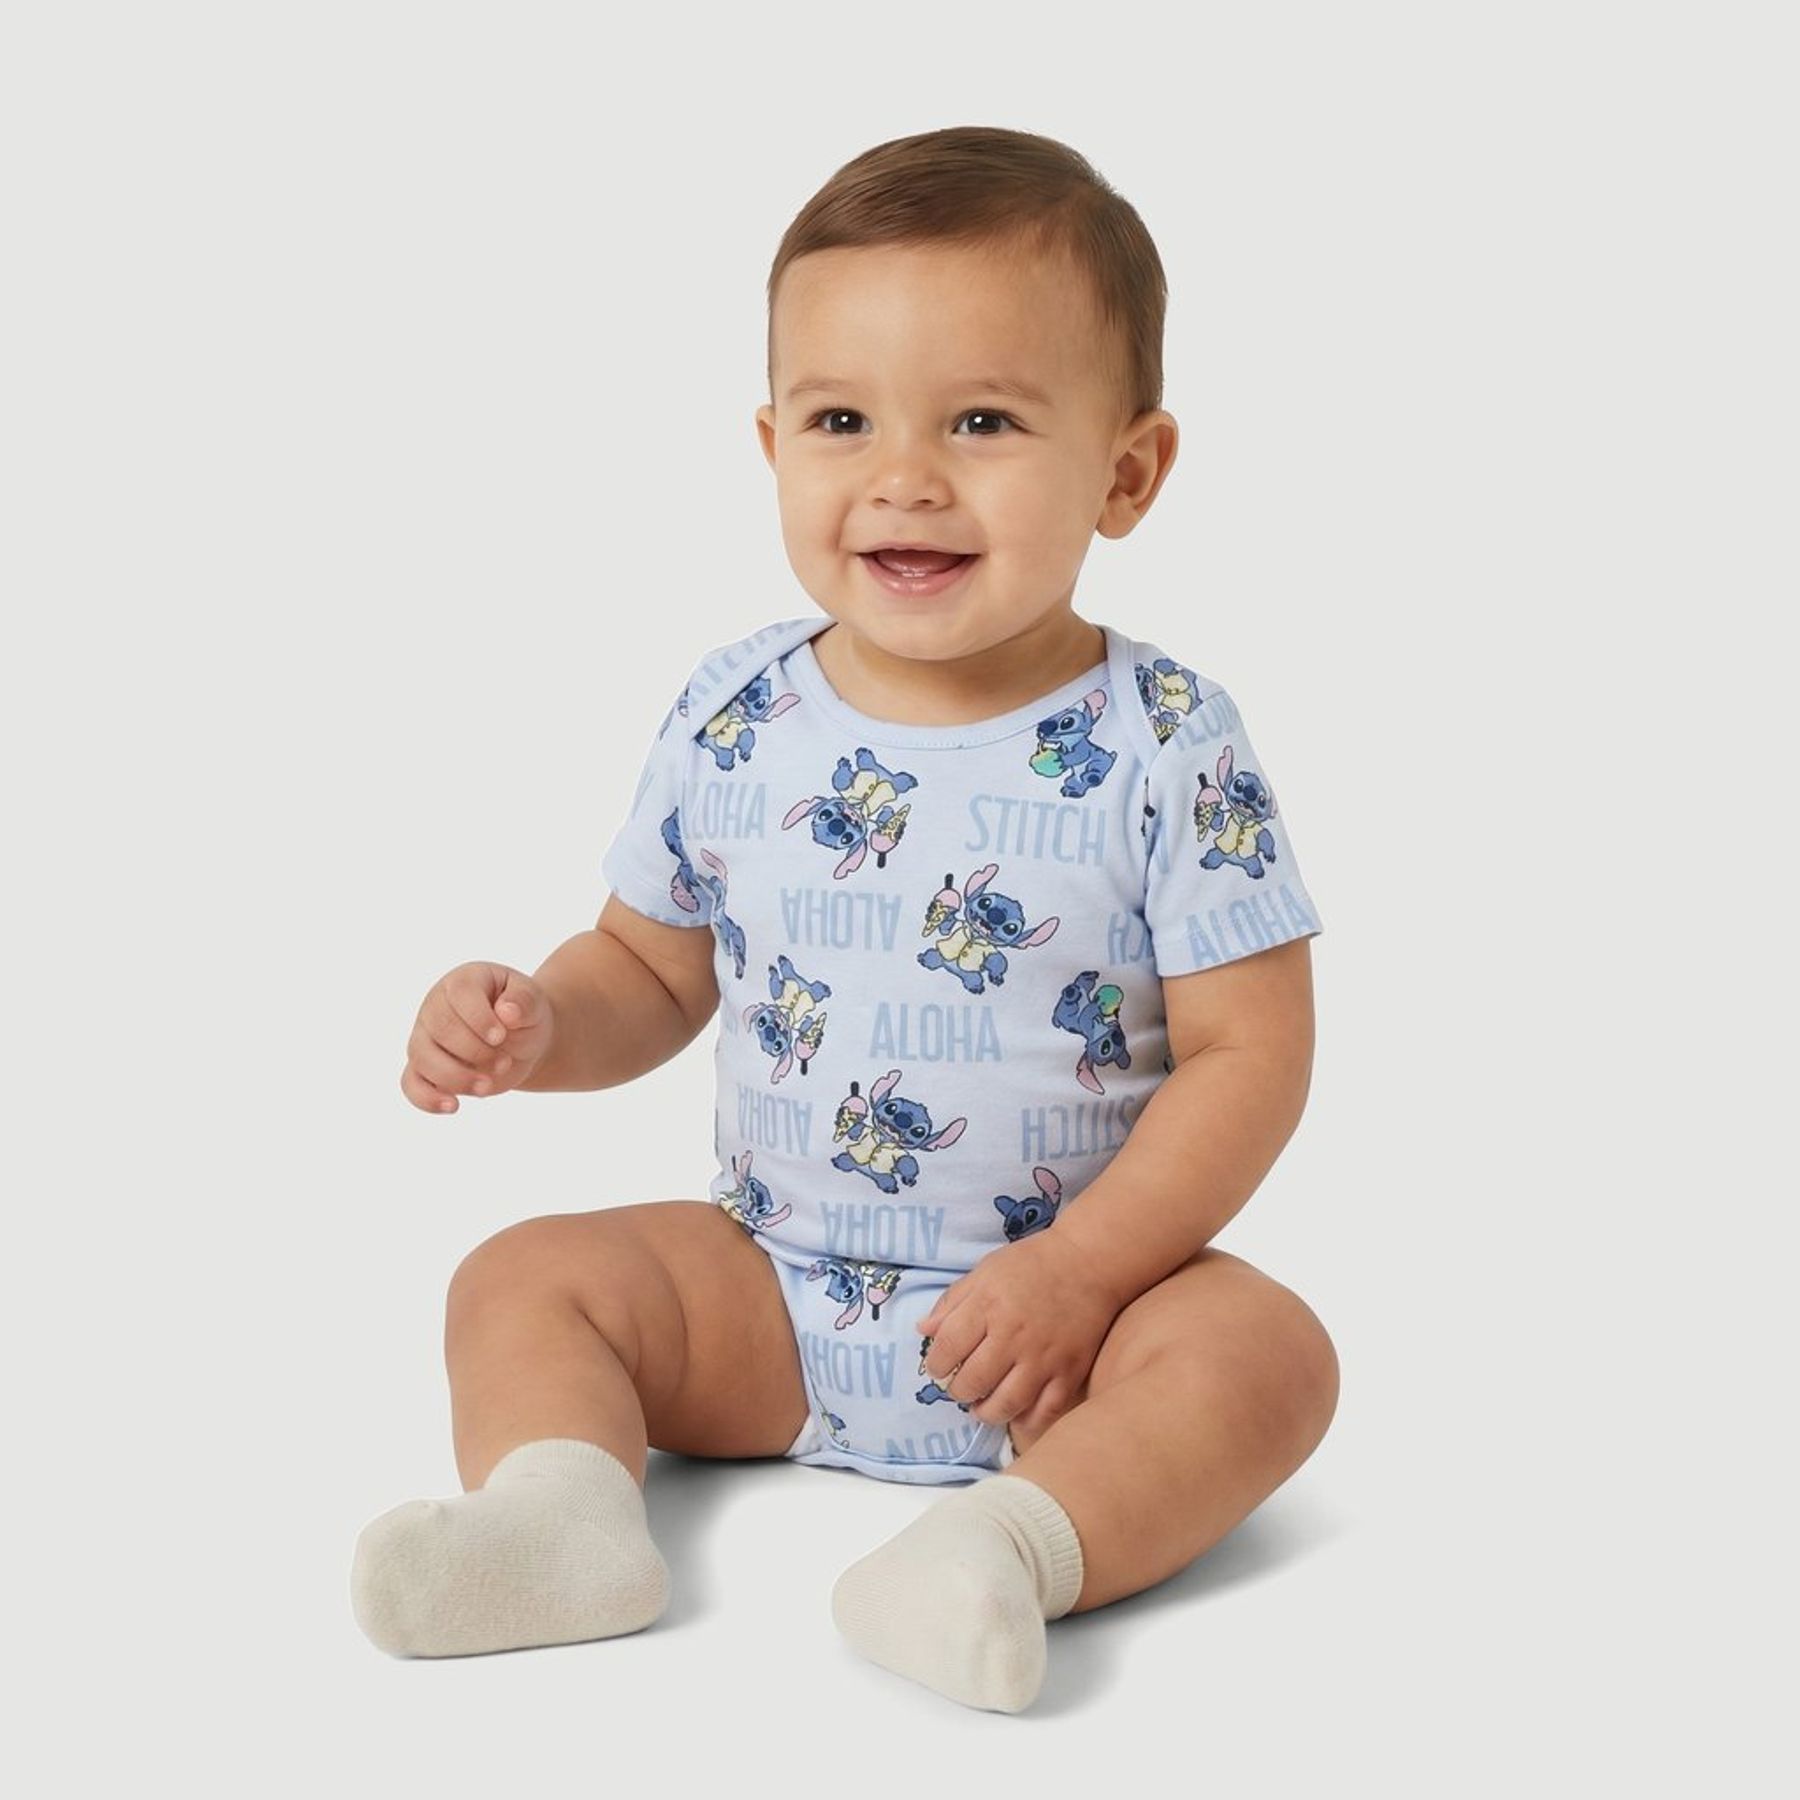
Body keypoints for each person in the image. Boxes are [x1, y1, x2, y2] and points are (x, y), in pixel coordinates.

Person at [351, 124, 1339, 1714]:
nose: (904, 475)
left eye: (982, 420)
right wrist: (538, 1024)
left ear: (1127, 472)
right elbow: (645, 967)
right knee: (520, 1275)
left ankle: (1002, 1551)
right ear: (772, 447)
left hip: (1078, 1327)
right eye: (841, 419)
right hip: (771, 1289)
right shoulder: (737, 711)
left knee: (1269, 1355)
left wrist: (1087, 1274)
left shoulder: (1169, 741)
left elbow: (1251, 1055)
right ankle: (563, 1522)